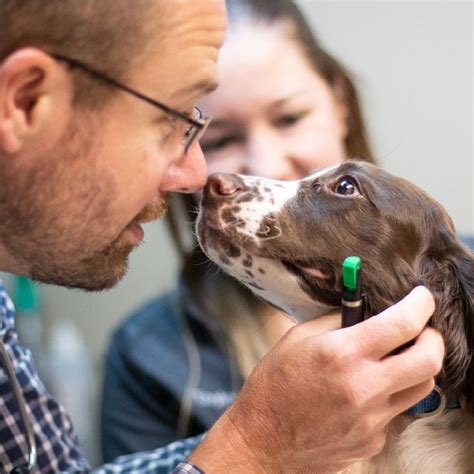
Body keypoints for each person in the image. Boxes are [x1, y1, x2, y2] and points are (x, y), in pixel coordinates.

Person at [0, 0, 443, 473]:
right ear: (26, 100)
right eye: (172, 121)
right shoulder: (145, 355)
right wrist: (258, 444)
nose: (199, 174)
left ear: (339, 101)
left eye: (289, 117)